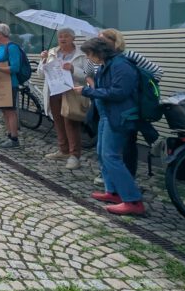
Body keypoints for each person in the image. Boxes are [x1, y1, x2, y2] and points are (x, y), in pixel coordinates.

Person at [79, 37, 144, 216]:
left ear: (99, 52)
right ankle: (113, 191)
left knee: (111, 156)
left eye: (89, 54)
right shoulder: (108, 64)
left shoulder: (121, 65)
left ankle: (133, 200)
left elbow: (119, 92)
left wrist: (87, 91)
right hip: (107, 115)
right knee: (102, 153)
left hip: (119, 116)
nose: (89, 58)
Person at [98, 28, 162, 176]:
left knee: (128, 141)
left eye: (103, 41)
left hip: (127, 106)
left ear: (115, 42)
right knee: (106, 142)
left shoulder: (129, 56)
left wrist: (137, 88)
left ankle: (128, 175)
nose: (99, 44)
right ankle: (108, 173)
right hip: (106, 105)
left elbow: (157, 72)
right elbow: (90, 74)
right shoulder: (101, 58)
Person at [40, 28, 93, 170]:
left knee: (71, 123)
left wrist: (73, 69)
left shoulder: (81, 55)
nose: (63, 39)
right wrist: (43, 60)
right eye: (60, 36)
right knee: (57, 121)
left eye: (66, 36)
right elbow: (41, 74)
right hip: (54, 91)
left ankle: (74, 155)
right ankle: (63, 150)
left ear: (73, 38)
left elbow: (87, 75)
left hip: (71, 92)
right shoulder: (52, 52)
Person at [0, 23, 24, 148]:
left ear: (1, 33)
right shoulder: (1, 47)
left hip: (10, 83)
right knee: (4, 111)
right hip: (1, 83)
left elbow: (15, 68)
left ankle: (14, 138)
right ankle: (9, 135)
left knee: (10, 111)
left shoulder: (12, 47)